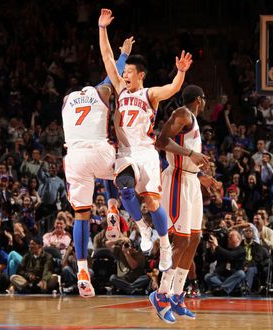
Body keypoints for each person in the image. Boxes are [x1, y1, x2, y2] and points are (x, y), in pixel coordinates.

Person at [98, 8, 192, 273]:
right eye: (123, 71)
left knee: (152, 203)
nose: (124, 74)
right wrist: (102, 28)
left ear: (140, 74)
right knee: (125, 188)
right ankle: (142, 228)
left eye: (128, 71)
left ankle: (164, 244)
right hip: (126, 151)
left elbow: (173, 88)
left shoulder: (149, 94)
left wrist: (181, 72)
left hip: (146, 151)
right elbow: (107, 57)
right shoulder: (119, 89)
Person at [62, 37, 134, 297]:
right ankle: (113, 210)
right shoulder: (102, 92)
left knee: (81, 214)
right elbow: (111, 72)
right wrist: (124, 54)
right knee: (121, 159)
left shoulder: (66, 101)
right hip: (99, 151)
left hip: (74, 158)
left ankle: (82, 269)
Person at [149, 84, 219, 323]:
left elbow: (186, 156)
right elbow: (160, 142)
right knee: (181, 239)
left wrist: (201, 176)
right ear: (199, 99)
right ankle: (161, 294)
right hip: (177, 180)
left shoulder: (194, 122)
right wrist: (191, 156)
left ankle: (178, 294)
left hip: (190, 181)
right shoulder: (182, 114)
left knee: (195, 238)